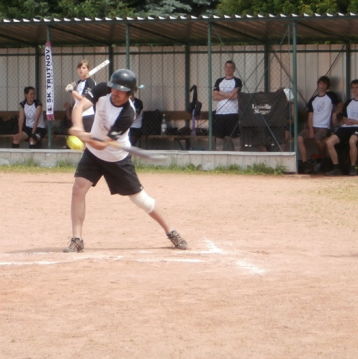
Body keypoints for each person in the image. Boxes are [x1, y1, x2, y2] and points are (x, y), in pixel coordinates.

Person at [64, 68, 187, 253]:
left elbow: (102, 144)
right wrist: (78, 127)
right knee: (78, 189)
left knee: (141, 200)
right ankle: (77, 239)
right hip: (92, 155)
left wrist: (85, 137)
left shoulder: (128, 113)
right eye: (114, 88)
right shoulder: (103, 89)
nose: (115, 92)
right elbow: (80, 107)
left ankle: (171, 231)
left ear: (130, 93)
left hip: (116, 158)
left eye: (121, 91)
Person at [298, 76, 342, 174]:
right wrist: (310, 130)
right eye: (320, 83)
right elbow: (310, 116)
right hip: (313, 126)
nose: (322, 86)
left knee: (318, 139)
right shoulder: (313, 99)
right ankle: (305, 164)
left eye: (324, 84)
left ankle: (323, 158)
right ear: (318, 85)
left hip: (324, 127)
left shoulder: (331, 96)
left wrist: (335, 113)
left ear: (327, 86)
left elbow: (341, 105)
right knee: (300, 138)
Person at [325, 79, 358, 176]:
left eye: (357, 87)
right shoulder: (349, 102)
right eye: (353, 88)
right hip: (346, 127)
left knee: (352, 141)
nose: (354, 90)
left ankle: (353, 167)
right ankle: (336, 167)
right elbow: (343, 117)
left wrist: (357, 122)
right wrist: (345, 120)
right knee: (329, 142)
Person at [212, 60, 243, 151]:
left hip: (232, 113)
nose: (228, 69)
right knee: (219, 139)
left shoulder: (237, 81)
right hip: (220, 113)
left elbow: (235, 96)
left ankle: (237, 157)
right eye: (227, 67)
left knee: (235, 138)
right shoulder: (219, 81)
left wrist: (220, 92)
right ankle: (219, 157)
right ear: (224, 68)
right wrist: (229, 94)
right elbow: (214, 97)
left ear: (234, 69)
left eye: (230, 67)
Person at [71, 60, 96, 132]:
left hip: (87, 115)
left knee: (86, 137)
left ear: (88, 69)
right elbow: (76, 100)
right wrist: (72, 91)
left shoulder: (90, 82)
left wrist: (73, 91)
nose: (81, 70)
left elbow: (85, 100)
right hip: (78, 115)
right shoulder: (79, 82)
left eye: (83, 68)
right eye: (79, 68)